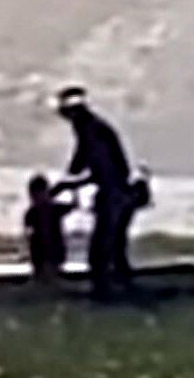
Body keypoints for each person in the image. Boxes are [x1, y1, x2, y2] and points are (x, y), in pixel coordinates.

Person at [51, 86, 142, 300]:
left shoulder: (93, 131)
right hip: (115, 192)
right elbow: (79, 162)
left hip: (116, 194)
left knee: (103, 248)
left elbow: (102, 170)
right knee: (114, 246)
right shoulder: (88, 129)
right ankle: (121, 286)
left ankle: (106, 292)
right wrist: (69, 181)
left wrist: (68, 185)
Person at [23, 173, 74, 281]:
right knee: (44, 273)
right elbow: (27, 232)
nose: (37, 198)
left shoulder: (52, 208)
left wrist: (71, 190)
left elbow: (73, 205)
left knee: (51, 272)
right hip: (41, 250)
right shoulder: (37, 211)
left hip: (53, 248)